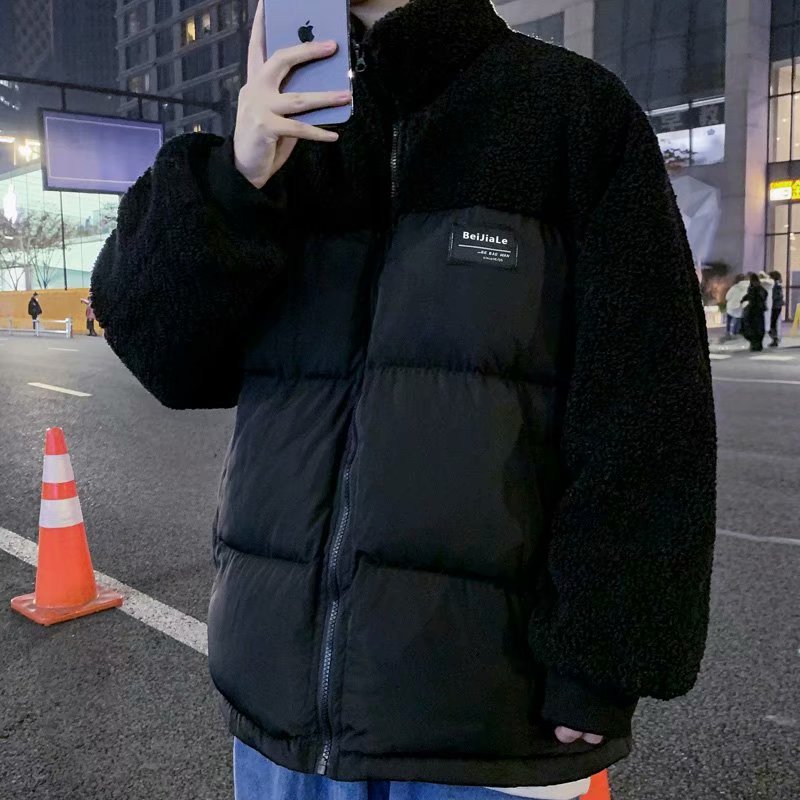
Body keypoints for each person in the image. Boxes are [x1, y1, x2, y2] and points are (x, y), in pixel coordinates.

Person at [90, 1, 717, 798]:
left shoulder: (571, 111)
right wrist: (234, 181)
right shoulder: (285, 136)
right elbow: (168, 361)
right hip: (282, 725)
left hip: (485, 729)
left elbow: (646, 406)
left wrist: (604, 655)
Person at [741, 273, 768, 352]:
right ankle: (757, 345)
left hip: (754, 310)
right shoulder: (759, 288)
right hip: (758, 310)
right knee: (758, 328)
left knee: (752, 328)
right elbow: (764, 295)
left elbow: (752, 296)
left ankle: (755, 344)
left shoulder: (754, 288)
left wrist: (745, 299)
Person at [724, 273, 747, 339]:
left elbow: (727, 297)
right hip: (739, 306)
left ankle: (728, 333)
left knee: (729, 320)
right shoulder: (746, 287)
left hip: (731, 306)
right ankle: (735, 333)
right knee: (738, 320)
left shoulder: (734, 287)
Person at [768, 271, 785, 347]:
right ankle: (775, 338)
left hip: (775, 306)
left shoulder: (775, 285)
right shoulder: (778, 284)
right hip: (777, 306)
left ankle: (775, 339)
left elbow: (775, 296)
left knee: (772, 323)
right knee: (773, 323)